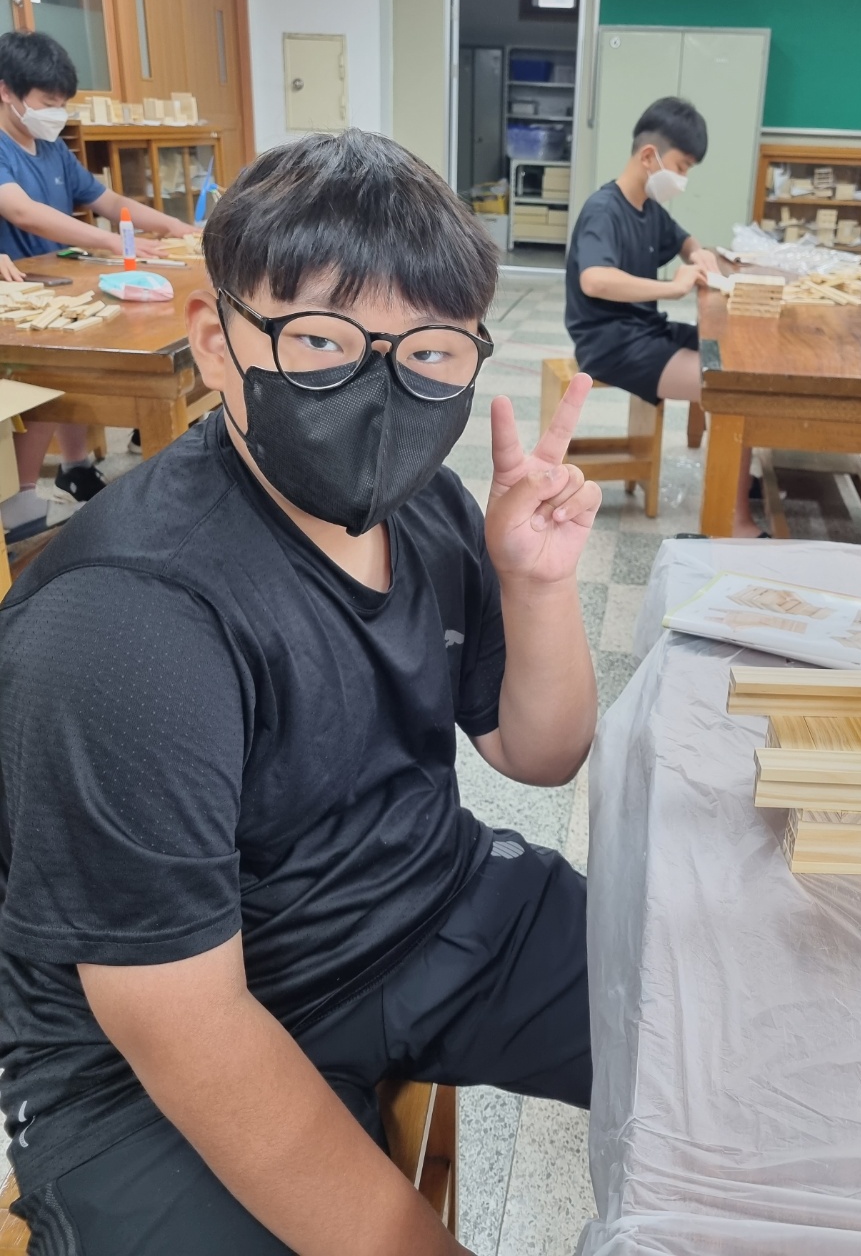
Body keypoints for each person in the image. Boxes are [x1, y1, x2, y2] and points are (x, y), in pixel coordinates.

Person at [0, 129, 599, 1255]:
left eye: (430, 352)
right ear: (216, 343)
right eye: (320, 339)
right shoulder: (126, 623)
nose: (381, 390)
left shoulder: (424, 505)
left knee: (721, 1030)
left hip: (420, 902)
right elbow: (185, 1026)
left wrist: (534, 583)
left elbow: (543, 752)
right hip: (147, 1057)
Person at [0, 30, 196, 540]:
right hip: (19, 294)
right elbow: (23, 212)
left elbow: (108, 201)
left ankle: (76, 467)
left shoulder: (51, 148)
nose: (56, 113)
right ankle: (20, 501)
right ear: (6, 91)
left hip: (61, 279)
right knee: (47, 383)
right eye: (47, 102)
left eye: (62, 103)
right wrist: (113, 241)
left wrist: (174, 227)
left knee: (82, 372)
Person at [565, 96, 761, 537]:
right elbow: (594, 279)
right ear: (649, 156)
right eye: (682, 166)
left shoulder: (649, 209)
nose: (683, 179)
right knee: (734, 388)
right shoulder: (604, 209)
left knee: (732, 356)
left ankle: (737, 479)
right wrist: (672, 287)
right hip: (610, 342)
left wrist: (699, 253)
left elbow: (684, 240)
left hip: (644, 330)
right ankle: (735, 520)